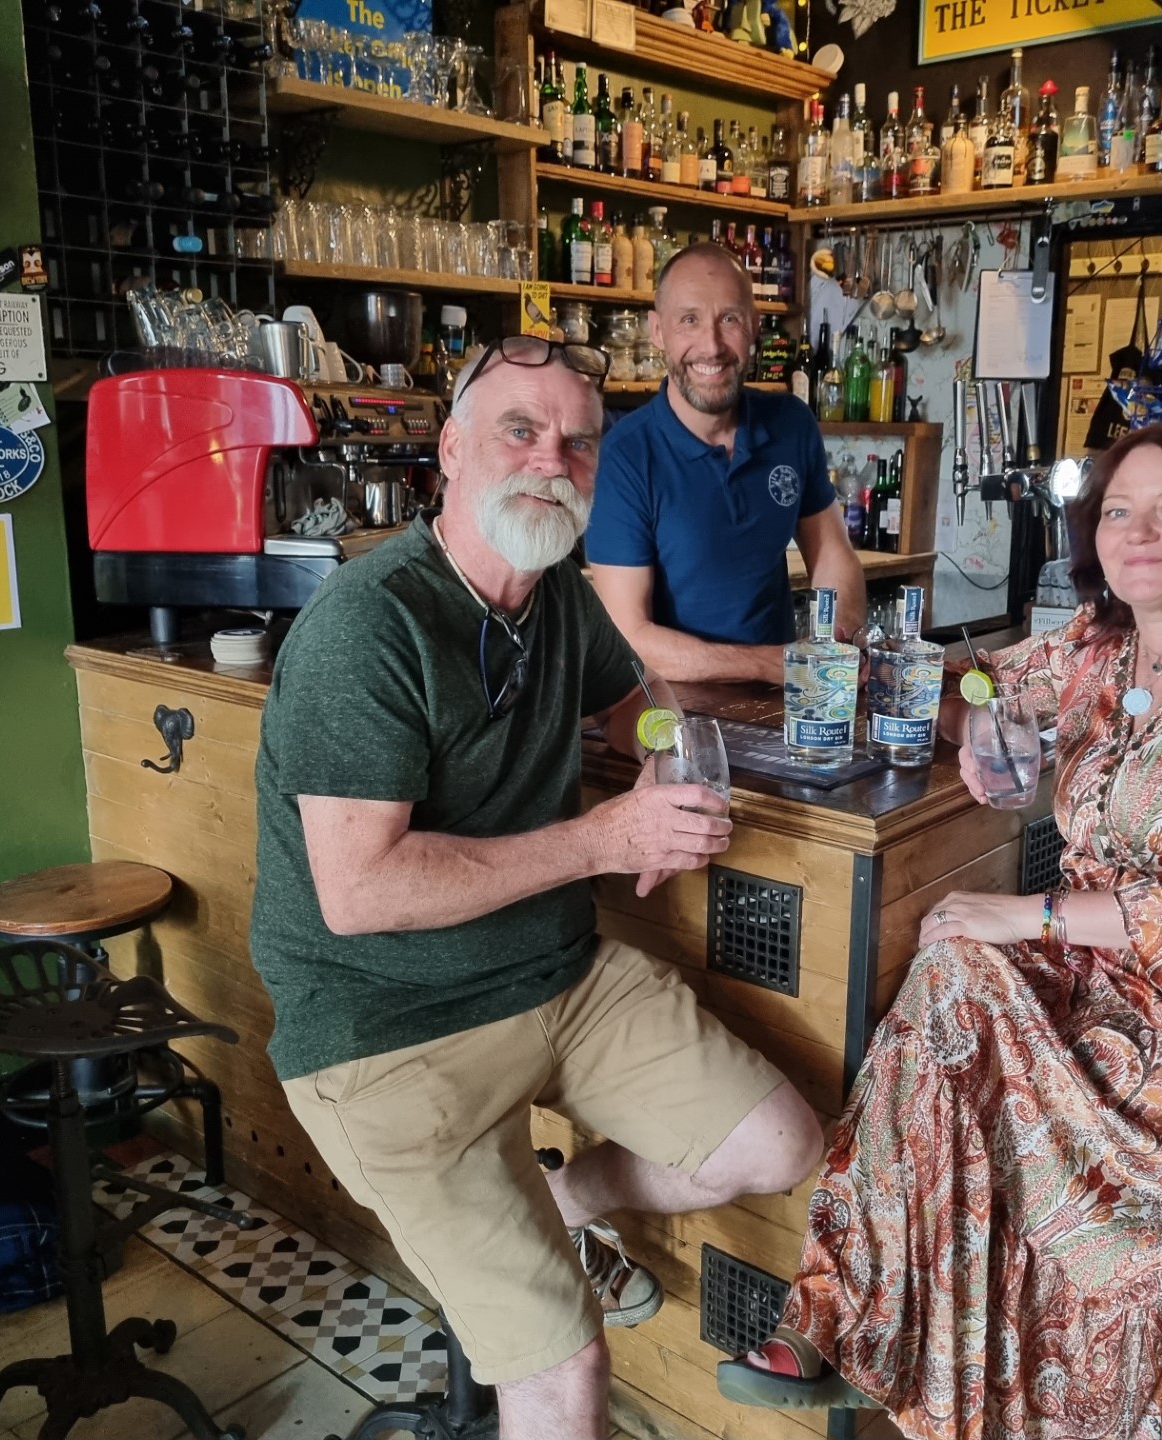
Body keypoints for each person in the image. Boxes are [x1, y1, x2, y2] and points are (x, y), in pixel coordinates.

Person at [717, 420, 1162, 1438]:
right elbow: (978, 688)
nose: (1137, 532)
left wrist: (1027, 911)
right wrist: (981, 724)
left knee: (995, 1032)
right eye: (1117, 509)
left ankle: (974, 1374)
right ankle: (847, 1314)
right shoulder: (1095, 649)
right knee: (950, 980)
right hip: (1105, 976)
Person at [250, 334, 824, 1440]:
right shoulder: (368, 625)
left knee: (780, 1147)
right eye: (521, 430)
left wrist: (663, 751)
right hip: (388, 1031)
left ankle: (566, 1201)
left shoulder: (556, 599)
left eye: (578, 444)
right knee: (564, 1378)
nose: (551, 460)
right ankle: (547, 1249)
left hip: (555, 976)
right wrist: (602, 838)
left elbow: (643, 697)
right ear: (451, 450)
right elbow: (358, 893)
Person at [587, 242, 865, 682]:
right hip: (675, 707)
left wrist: (839, 643)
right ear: (657, 331)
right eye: (689, 320)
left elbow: (831, 551)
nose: (711, 346)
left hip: (786, 699)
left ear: (755, 326)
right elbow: (629, 637)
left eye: (729, 319)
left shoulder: (791, 422)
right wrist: (774, 664)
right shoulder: (626, 454)